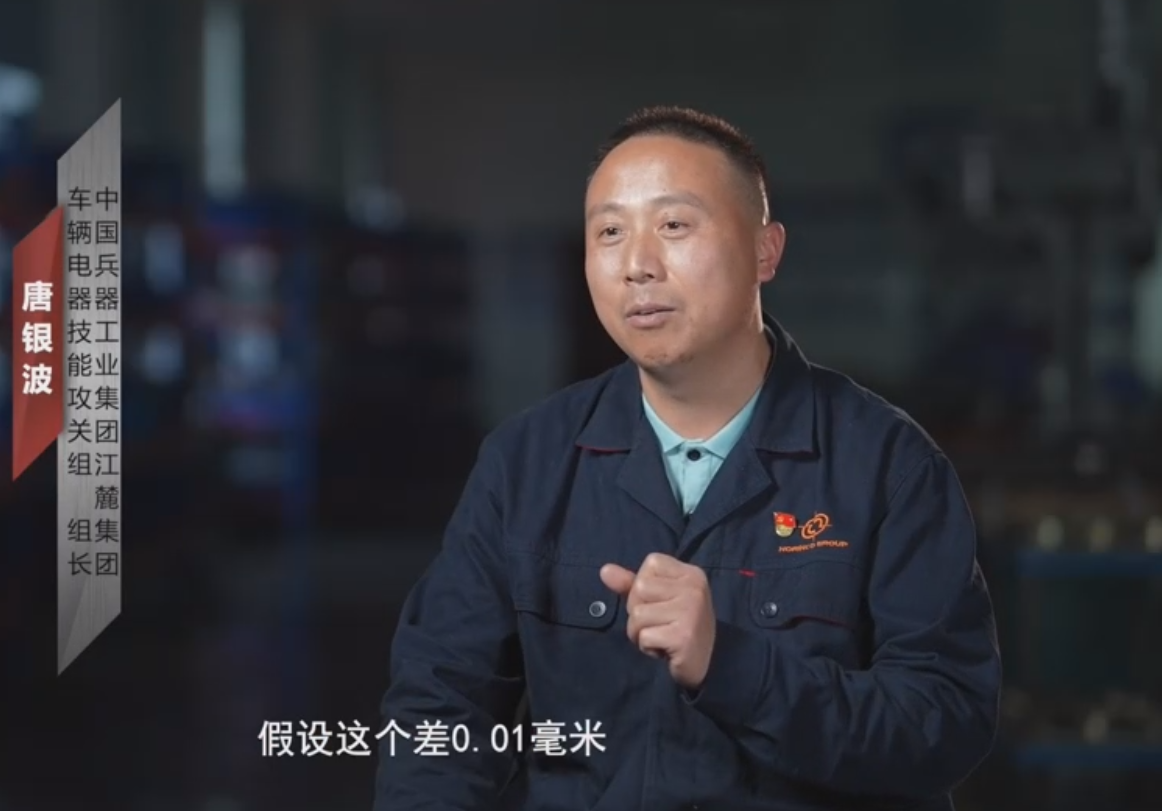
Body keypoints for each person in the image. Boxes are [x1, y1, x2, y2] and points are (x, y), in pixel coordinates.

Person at [373, 106, 1001, 811]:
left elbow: (944, 721)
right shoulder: (525, 464)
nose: (637, 265)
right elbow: (440, 705)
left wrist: (733, 666)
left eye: (674, 225)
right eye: (610, 233)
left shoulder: (887, 466)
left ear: (765, 250)